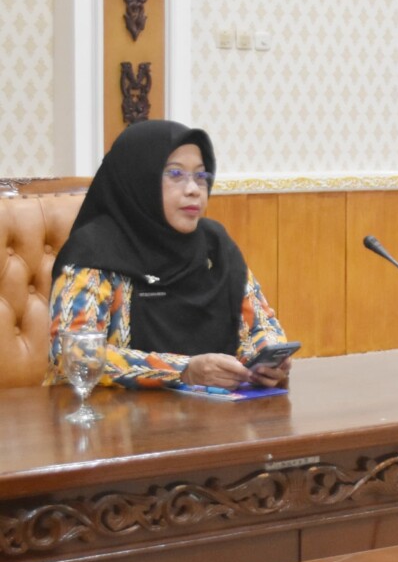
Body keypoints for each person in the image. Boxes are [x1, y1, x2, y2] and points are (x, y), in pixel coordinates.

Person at [46, 120, 292, 390]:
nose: (193, 189)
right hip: (114, 424)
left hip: (217, 419)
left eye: (201, 176)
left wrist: (268, 358)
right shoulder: (94, 252)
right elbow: (74, 355)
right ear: (140, 178)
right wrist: (182, 371)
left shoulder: (215, 247)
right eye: (175, 174)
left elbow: (261, 325)